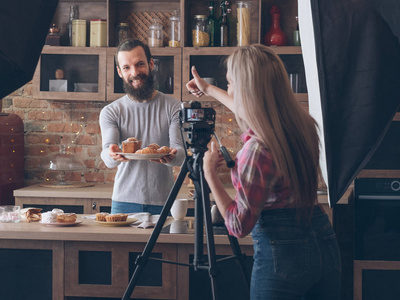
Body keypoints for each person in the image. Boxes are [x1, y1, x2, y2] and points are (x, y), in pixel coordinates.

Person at [186, 44, 341, 299]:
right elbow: (252, 108)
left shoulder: (256, 150)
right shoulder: (302, 125)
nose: (230, 91)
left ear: (248, 90)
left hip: (284, 253)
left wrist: (209, 175)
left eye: (231, 84)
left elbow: (238, 225)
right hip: (324, 240)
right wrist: (209, 89)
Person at [100, 39, 185, 215]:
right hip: (124, 202)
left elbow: (181, 154)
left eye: (140, 64)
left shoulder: (174, 107)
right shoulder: (111, 111)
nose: (135, 73)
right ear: (119, 72)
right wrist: (112, 153)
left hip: (165, 201)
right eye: (126, 68)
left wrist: (173, 156)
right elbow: (107, 158)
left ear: (151, 64)